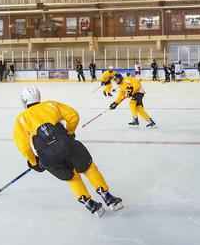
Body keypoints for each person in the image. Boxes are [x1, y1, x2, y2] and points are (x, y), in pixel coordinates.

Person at [13, 87, 122, 217]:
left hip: (48, 157)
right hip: (67, 144)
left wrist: (34, 162)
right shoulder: (50, 105)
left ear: (24, 100)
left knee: (71, 177)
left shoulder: (21, 119)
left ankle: (90, 204)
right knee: (89, 168)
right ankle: (107, 196)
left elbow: (24, 146)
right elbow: (73, 116)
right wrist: (69, 132)